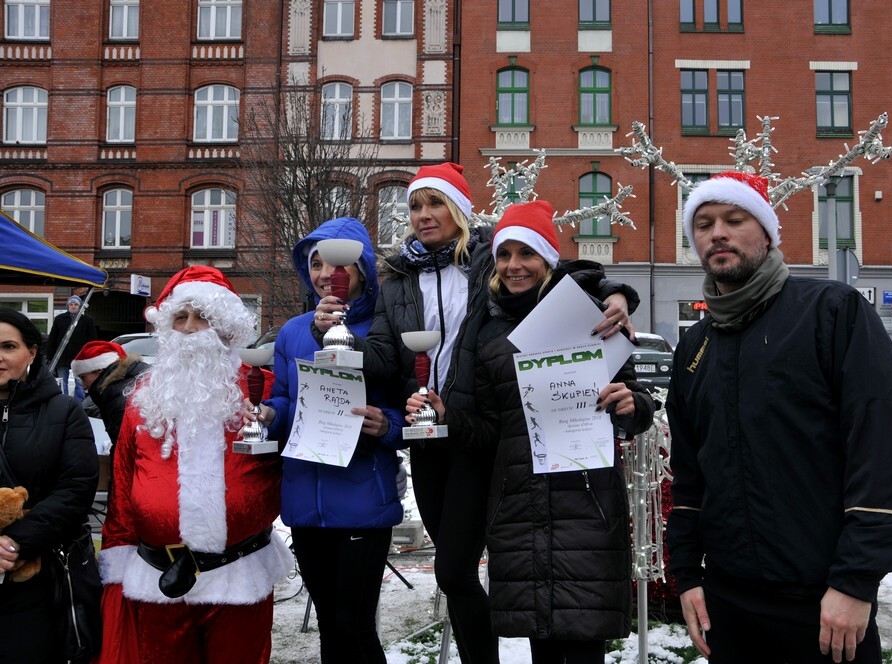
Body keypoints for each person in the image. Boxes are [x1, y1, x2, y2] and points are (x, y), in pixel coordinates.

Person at [313, 163, 637, 664]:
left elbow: (563, 272)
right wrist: (337, 337)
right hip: (432, 434)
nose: (423, 215)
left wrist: (619, 294)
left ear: (460, 209)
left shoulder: (491, 257)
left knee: (463, 569)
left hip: (488, 430)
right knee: (454, 572)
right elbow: (382, 355)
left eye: (435, 202)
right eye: (415, 205)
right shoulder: (397, 277)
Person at [665, 171, 892, 663]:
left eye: (733, 219)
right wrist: (688, 577)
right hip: (729, 606)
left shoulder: (832, 313)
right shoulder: (694, 346)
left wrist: (855, 580)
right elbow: (690, 477)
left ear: (766, 232)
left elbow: (886, 447)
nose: (717, 232)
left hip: (825, 605)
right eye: (703, 224)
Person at [411, 200, 655, 663]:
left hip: (585, 504)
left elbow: (638, 404)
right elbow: (488, 432)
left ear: (548, 259)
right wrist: (447, 416)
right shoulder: (487, 332)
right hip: (519, 509)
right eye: (505, 255)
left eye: (527, 254)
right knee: (539, 644)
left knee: (584, 644)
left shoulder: (590, 317)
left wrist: (630, 406)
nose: (514, 265)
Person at [97, 266, 294, 664]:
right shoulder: (142, 401)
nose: (189, 328)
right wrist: (116, 567)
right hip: (158, 579)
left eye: (202, 316)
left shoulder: (265, 393)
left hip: (239, 575)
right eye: (180, 318)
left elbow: (302, 456)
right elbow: (122, 487)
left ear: (226, 328)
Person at [243, 218, 407, 663]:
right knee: (329, 628)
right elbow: (282, 398)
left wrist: (386, 425)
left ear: (363, 269)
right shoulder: (293, 331)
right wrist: (269, 414)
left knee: (352, 624)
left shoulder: (382, 328)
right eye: (316, 263)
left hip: (362, 499)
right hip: (305, 500)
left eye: (337, 263)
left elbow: (401, 403)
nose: (324, 274)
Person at [0, 308, 99, 664]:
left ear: (31, 352)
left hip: (40, 580)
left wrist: (15, 542)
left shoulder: (63, 412)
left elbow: (76, 488)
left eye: (8, 346)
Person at [71, 340, 149, 458]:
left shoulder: (116, 396)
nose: (84, 386)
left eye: (83, 377)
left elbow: (124, 448)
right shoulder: (126, 385)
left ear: (99, 371)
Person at [46, 294, 98, 400]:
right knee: (62, 382)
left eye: (76, 304)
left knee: (79, 382)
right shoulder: (59, 319)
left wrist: (91, 356)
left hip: (79, 357)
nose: (73, 306)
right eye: (71, 304)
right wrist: (50, 356)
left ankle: (79, 404)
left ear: (79, 307)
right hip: (61, 357)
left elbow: (92, 340)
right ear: (68, 306)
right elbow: (52, 339)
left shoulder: (87, 321)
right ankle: (63, 403)